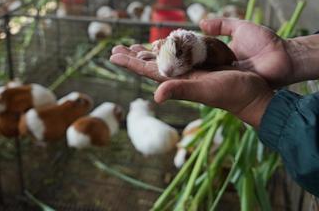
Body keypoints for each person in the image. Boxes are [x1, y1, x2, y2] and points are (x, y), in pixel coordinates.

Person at [109, 18, 319, 197]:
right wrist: (293, 53)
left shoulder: (201, 49)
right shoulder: (177, 46)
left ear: (191, 46)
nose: (170, 69)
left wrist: (257, 103)